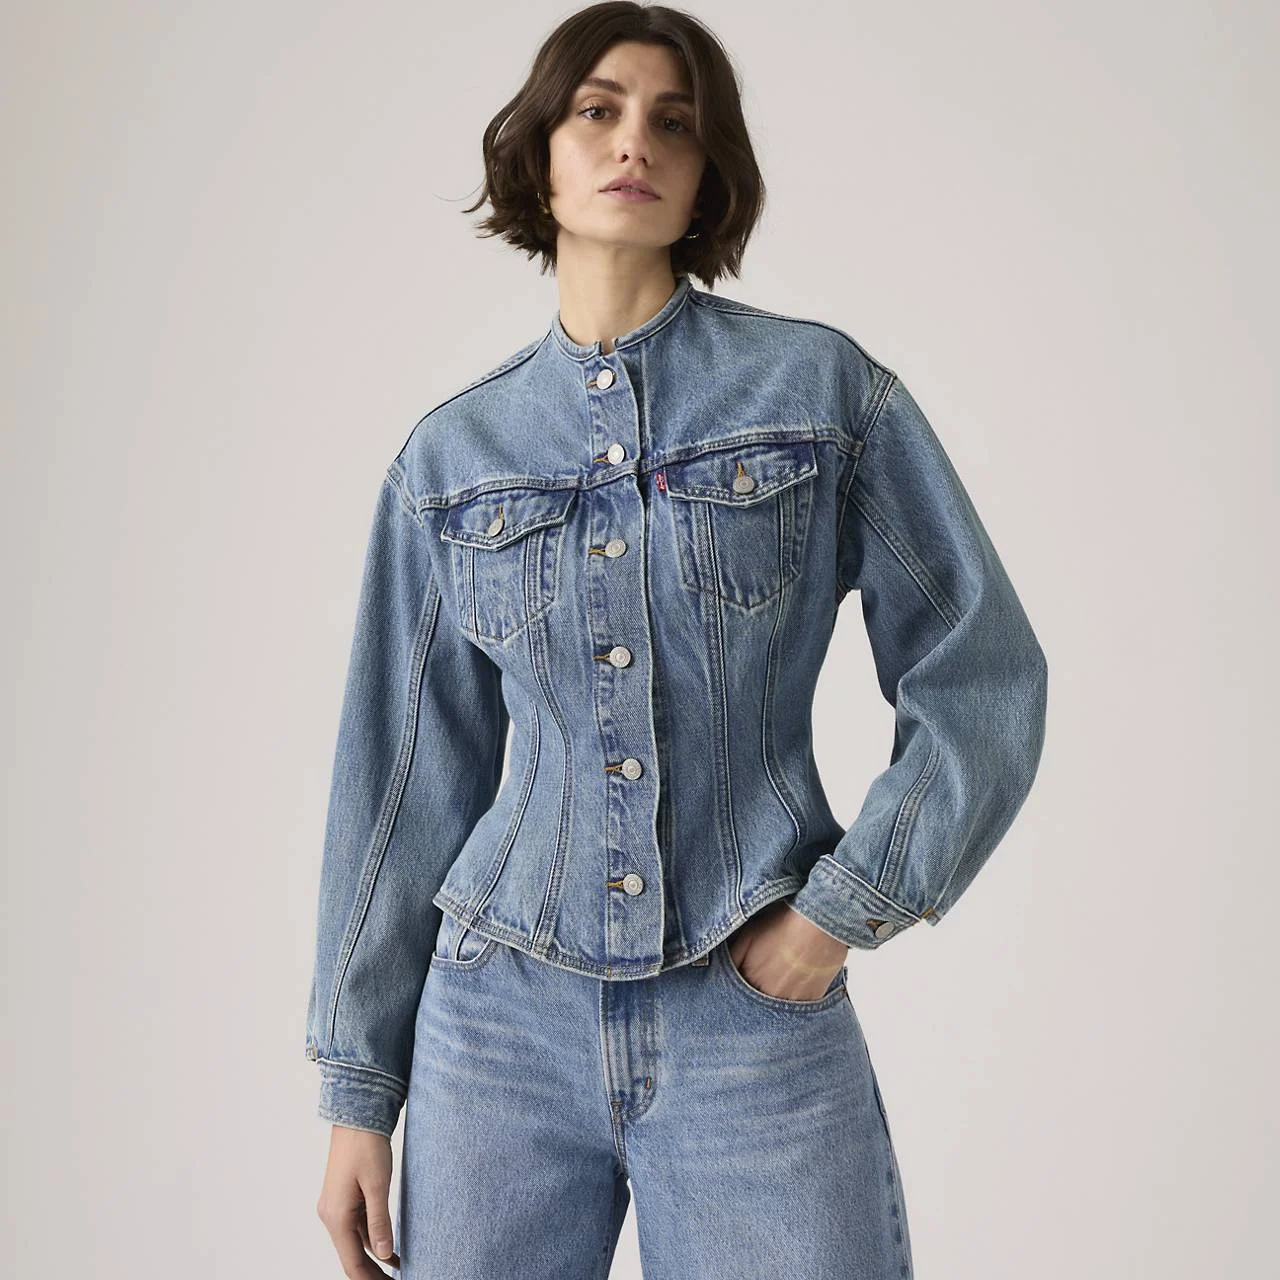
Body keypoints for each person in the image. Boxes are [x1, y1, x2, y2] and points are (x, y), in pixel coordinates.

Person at [306, 4, 1049, 1277]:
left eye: (674, 121)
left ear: (708, 173)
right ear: (540, 153)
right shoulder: (451, 458)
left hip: (752, 1017)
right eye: (596, 111)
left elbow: (980, 673)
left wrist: (834, 917)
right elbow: (399, 786)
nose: (632, 142)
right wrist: (357, 1092)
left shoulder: (819, 394)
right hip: (495, 1029)